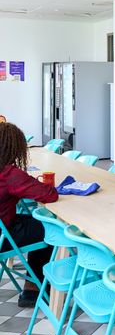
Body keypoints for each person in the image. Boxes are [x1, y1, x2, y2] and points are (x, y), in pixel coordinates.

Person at [0, 122, 58, 307]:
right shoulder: (9, 174)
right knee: (49, 228)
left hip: (5, 226)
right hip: (3, 236)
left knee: (35, 222)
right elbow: (49, 195)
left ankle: (33, 286)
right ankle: (33, 290)